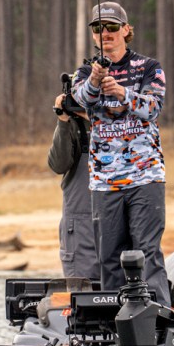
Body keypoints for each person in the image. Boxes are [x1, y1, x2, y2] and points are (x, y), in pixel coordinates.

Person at [70, 1, 170, 304]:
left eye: (112, 27)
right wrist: (95, 80)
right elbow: (81, 99)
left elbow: (153, 108)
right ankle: (114, 320)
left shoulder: (149, 67)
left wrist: (122, 92)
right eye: (98, 28)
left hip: (145, 177)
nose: (106, 33)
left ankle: (157, 315)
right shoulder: (84, 72)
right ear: (93, 35)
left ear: (126, 30)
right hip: (104, 182)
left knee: (147, 252)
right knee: (109, 256)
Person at [47, 93, 100, 280]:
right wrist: (63, 121)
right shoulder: (73, 125)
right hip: (80, 227)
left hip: (115, 219)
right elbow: (58, 165)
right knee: (81, 290)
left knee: (119, 288)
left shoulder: (120, 119)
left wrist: (98, 119)